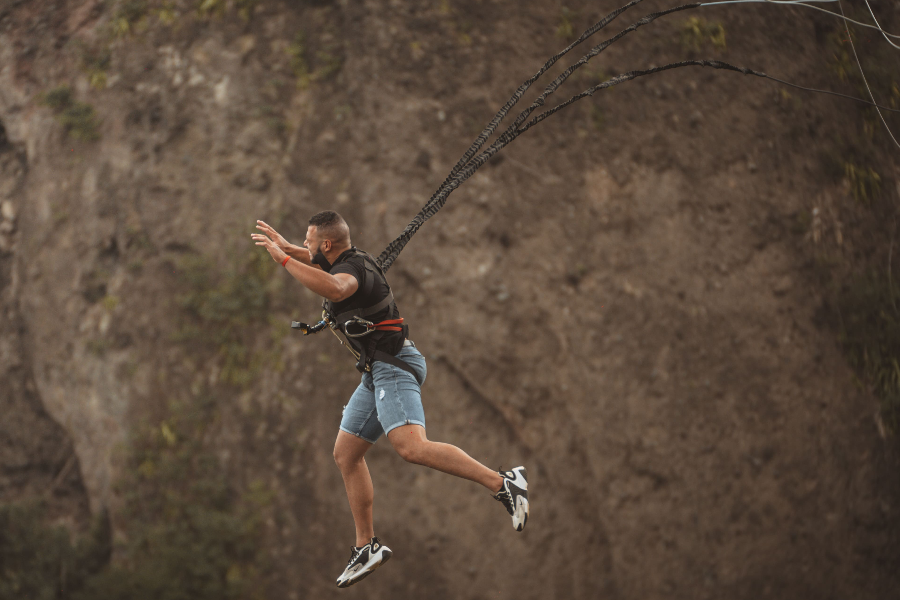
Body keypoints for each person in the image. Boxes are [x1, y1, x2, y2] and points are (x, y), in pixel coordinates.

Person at [251, 211, 529, 589]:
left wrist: (283, 259)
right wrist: (289, 248)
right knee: (346, 454)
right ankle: (366, 546)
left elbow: (335, 289)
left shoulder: (351, 272)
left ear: (327, 245)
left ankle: (503, 484)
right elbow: (322, 268)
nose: (305, 244)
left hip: (393, 366)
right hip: (375, 371)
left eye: (308, 239)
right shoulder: (341, 261)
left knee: (411, 448)